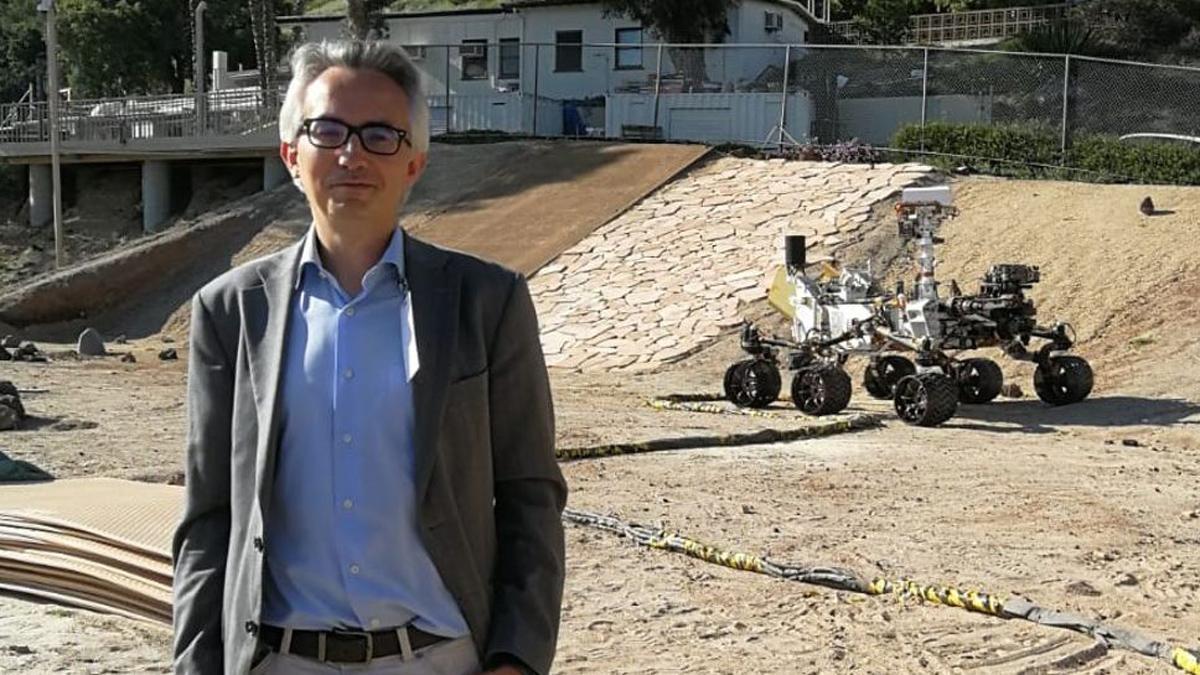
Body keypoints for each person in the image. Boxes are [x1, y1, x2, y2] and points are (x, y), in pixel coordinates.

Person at [171, 39, 566, 675]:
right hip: (281, 660)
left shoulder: (487, 302)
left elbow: (531, 496)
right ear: (291, 155)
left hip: (440, 658)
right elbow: (208, 518)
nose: (352, 153)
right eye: (327, 130)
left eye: (381, 134)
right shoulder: (230, 313)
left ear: (414, 162)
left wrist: (517, 658)